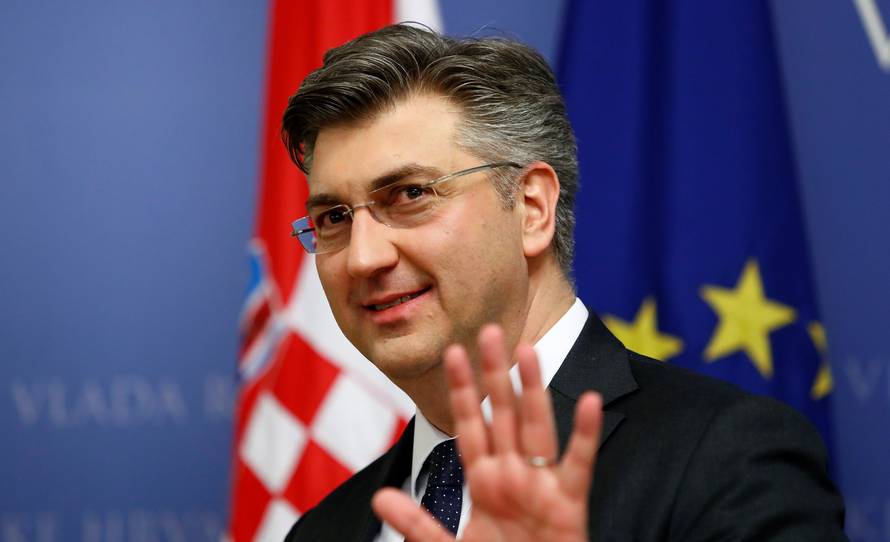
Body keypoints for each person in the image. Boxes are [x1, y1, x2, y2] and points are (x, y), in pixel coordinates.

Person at [280, 23, 846, 541]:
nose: (363, 258)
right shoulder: (321, 532)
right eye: (333, 218)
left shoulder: (727, 458)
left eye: (410, 195)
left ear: (531, 209)